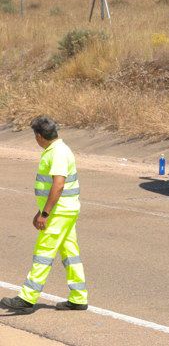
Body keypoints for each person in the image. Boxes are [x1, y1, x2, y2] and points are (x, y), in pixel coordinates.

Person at [1, 116, 88, 314]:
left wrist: (46, 213)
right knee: (70, 254)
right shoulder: (59, 149)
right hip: (66, 209)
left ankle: (27, 297)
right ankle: (78, 297)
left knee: (43, 253)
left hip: (59, 212)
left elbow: (58, 185)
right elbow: (52, 188)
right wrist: (41, 211)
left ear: (39, 136)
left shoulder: (57, 153)